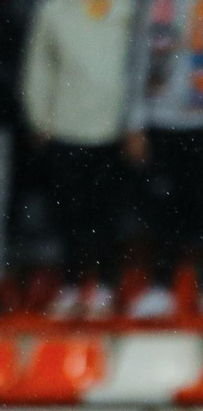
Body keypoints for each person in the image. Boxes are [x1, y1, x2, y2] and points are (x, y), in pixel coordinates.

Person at [124, 0, 203, 320]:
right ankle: (161, 287)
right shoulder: (155, 5)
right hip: (162, 118)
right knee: (164, 210)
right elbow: (138, 57)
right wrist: (135, 121)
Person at [21, 0, 138, 319]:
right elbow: (39, 64)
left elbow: (137, 63)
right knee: (68, 212)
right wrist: (38, 116)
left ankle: (104, 287)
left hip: (112, 127)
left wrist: (134, 122)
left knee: (107, 212)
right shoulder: (53, 10)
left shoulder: (126, 7)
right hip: (65, 125)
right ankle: (71, 286)